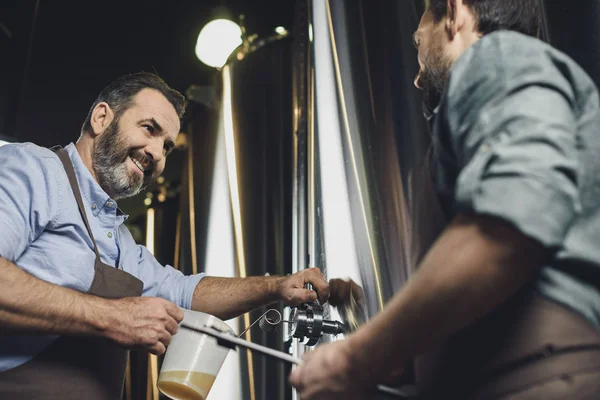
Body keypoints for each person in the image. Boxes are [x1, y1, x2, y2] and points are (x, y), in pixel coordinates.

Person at [289, 0, 600, 398]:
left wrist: (357, 357)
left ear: (454, 15)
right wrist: (401, 356)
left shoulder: (495, 55)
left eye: (419, 41)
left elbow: (509, 225)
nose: (417, 79)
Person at [0, 72, 332, 399]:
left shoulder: (122, 242)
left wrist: (275, 287)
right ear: (101, 118)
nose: (157, 154)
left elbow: (186, 294)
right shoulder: (33, 169)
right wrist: (112, 316)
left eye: (167, 146)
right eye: (149, 129)